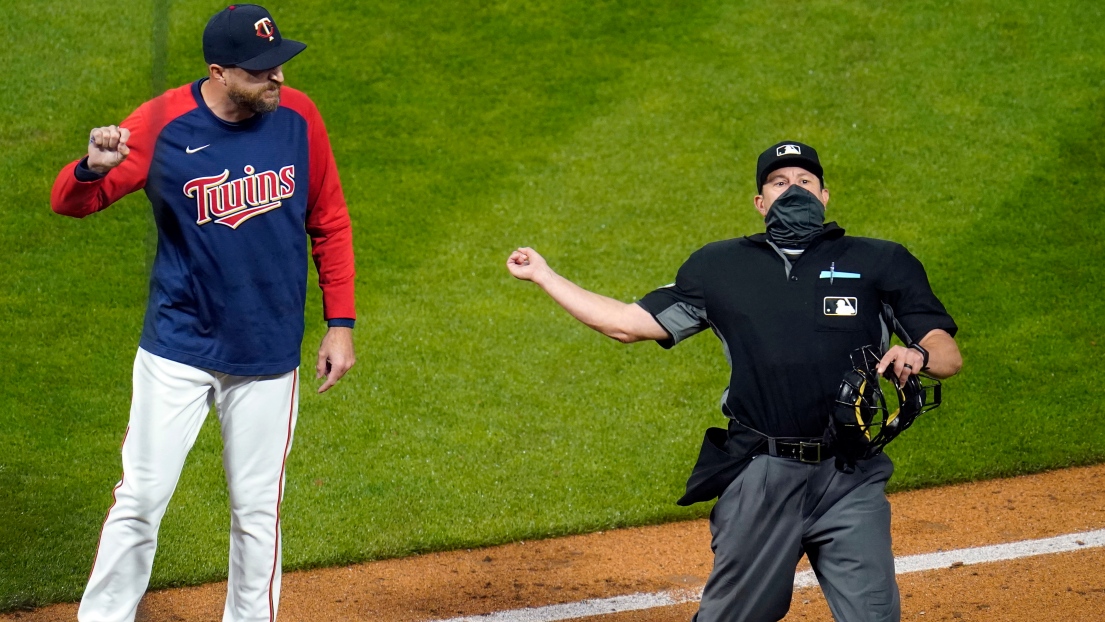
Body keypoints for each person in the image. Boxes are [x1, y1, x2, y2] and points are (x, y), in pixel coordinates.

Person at [506, 140, 962, 622]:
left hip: (850, 476)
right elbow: (626, 323)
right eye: (779, 183)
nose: (794, 190)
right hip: (762, 475)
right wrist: (545, 275)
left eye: (805, 182)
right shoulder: (720, 267)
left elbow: (946, 351)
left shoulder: (880, 261)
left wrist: (917, 353)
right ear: (760, 202)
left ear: (825, 195)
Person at [50, 5, 356, 621]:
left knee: (256, 513)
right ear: (219, 72)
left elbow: (329, 218)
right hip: (177, 348)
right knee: (140, 499)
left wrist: (340, 322)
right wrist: (91, 169)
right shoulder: (161, 122)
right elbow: (71, 203)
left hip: (268, 353)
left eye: (279, 66)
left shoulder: (299, 116)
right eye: (261, 70)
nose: (277, 79)